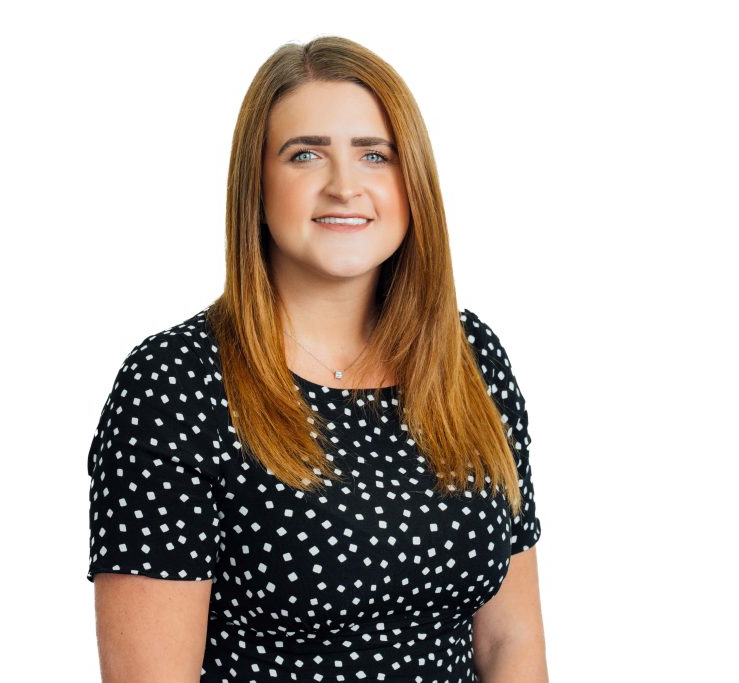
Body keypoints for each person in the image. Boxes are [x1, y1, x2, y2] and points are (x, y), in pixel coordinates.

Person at [87, 35, 548, 682]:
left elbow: (512, 640)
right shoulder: (175, 386)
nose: (343, 186)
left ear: (412, 180)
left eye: (374, 156)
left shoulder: (469, 358)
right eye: (306, 155)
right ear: (257, 182)